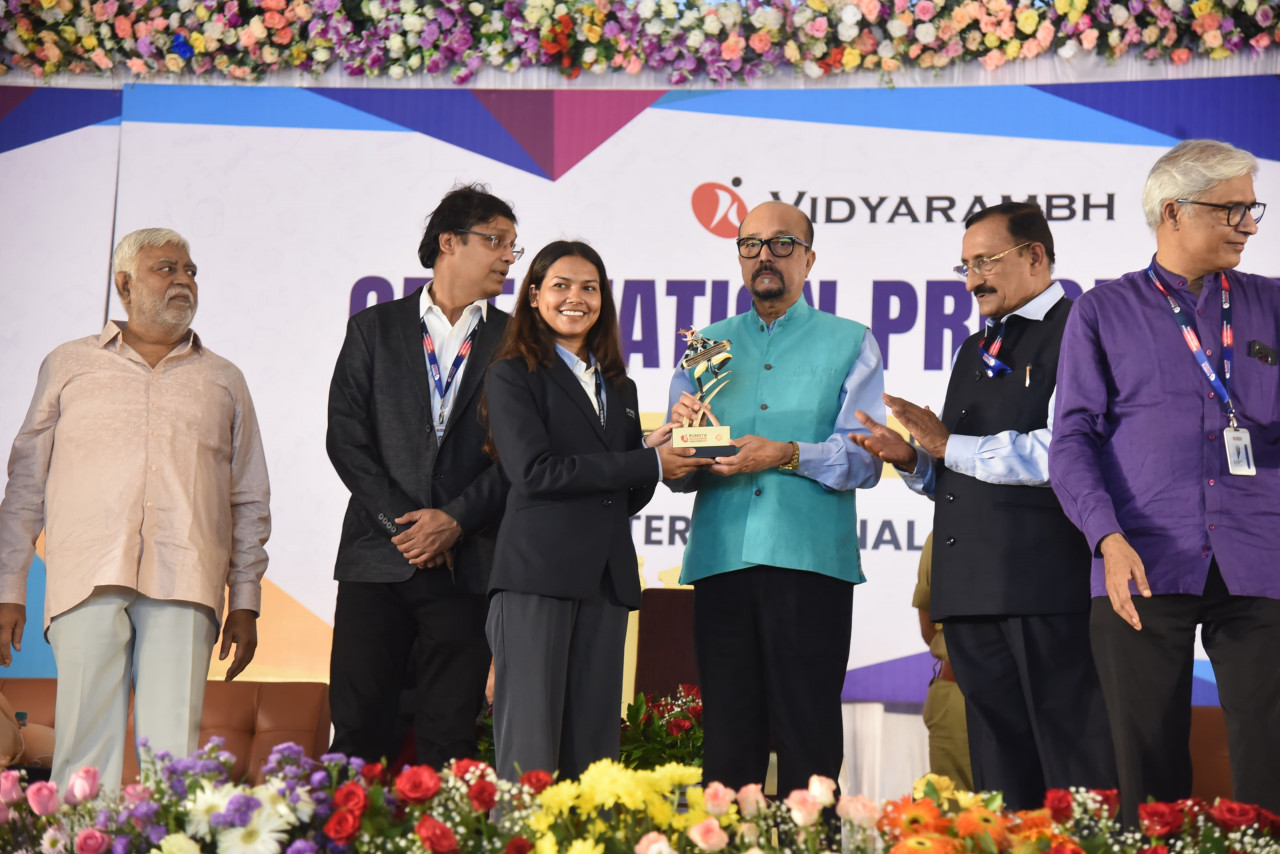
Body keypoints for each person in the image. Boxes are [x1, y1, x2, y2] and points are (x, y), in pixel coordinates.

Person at [853, 203, 1114, 810]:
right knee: (998, 771)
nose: (972, 280)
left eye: (986, 262)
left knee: (1071, 765)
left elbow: (1065, 454)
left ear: (1035, 256)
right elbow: (965, 472)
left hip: (1045, 588)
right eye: (965, 266)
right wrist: (914, 460)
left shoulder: (1082, 329)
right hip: (969, 594)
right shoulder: (975, 347)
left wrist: (949, 446)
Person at [1049, 139, 1279, 823]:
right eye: (1232, 209)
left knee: (1270, 760)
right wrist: (1106, 538)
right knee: (1147, 774)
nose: (1249, 225)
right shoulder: (1102, 310)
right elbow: (1072, 441)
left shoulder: (1273, 305)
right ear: (1173, 211)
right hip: (1141, 559)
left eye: (1252, 208)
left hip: (1260, 555)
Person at [0, 227, 269, 788]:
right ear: (124, 284)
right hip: (86, 575)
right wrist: (9, 589)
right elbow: (25, 486)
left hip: (187, 578)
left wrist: (245, 600)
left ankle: (167, 837)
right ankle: (81, 835)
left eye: (190, 271)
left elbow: (248, 497)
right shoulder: (68, 364)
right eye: (166, 269)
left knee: (174, 761)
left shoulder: (224, 379)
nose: (183, 280)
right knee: (83, 753)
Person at [667, 200, 885, 795]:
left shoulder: (850, 341)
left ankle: (807, 838)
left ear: (809, 259)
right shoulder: (704, 345)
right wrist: (680, 447)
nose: (765, 255)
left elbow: (866, 459)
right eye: (751, 244)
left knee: (809, 744)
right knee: (727, 746)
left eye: (782, 243)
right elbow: (676, 472)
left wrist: (786, 453)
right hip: (721, 561)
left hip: (810, 564)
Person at [484, 241, 708, 781]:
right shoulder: (513, 373)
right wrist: (645, 461)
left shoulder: (618, 384)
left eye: (589, 288)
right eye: (560, 285)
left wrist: (655, 450)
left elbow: (623, 494)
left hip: (605, 581)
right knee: (530, 755)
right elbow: (535, 472)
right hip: (537, 577)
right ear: (533, 295)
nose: (576, 298)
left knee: (594, 758)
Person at [326, 184, 516, 768]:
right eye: (496, 241)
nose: (509, 257)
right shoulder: (373, 328)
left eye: (513, 245)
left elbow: (519, 457)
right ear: (449, 242)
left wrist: (453, 521)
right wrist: (405, 526)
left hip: (467, 562)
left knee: (448, 741)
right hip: (376, 558)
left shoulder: (517, 341)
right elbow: (346, 440)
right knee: (357, 734)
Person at [911, 533, 972, 792]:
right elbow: (927, 617)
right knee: (957, 810)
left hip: (1027, 696)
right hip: (957, 697)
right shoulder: (945, 532)